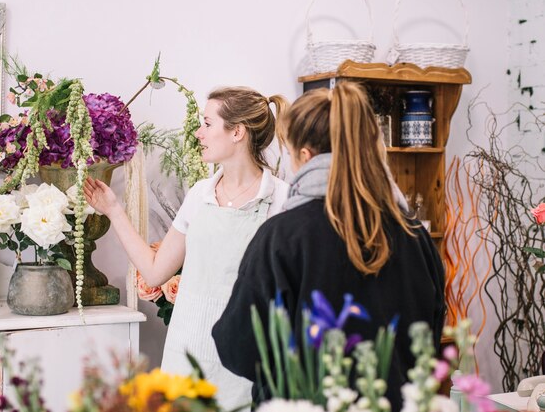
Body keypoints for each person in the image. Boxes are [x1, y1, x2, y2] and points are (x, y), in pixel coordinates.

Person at [211, 81, 446, 411]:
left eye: (291, 155)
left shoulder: (282, 236)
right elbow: (429, 341)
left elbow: (238, 347)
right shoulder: (415, 234)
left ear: (305, 156)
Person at [83, 86, 290, 411]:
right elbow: (154, 270)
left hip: (245, 362)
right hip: (187, 355)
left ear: (237, 132)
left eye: (207, 124)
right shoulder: (200, 194)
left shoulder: (281, 199)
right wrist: (113, 209)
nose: (199, 133)